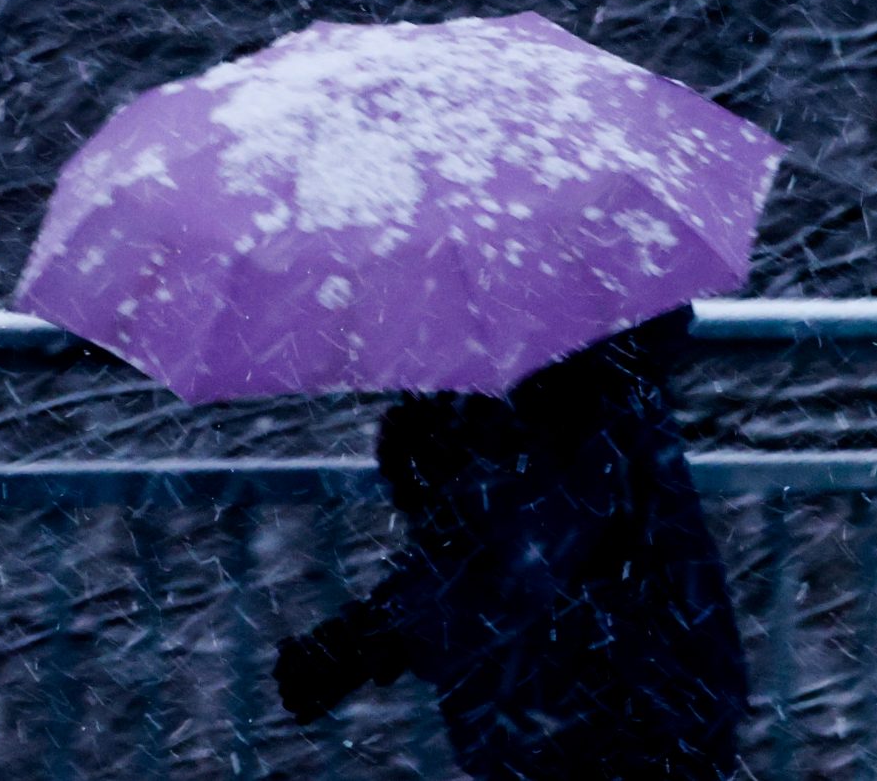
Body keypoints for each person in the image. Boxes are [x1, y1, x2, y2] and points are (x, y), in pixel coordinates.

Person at [273, 307, 749, 781]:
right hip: (599, 713)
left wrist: (370, 637)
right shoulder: (563, 369)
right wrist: (437, 474)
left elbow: (514, 565)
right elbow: (498, 540)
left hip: (621, 718)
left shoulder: (575, 385)